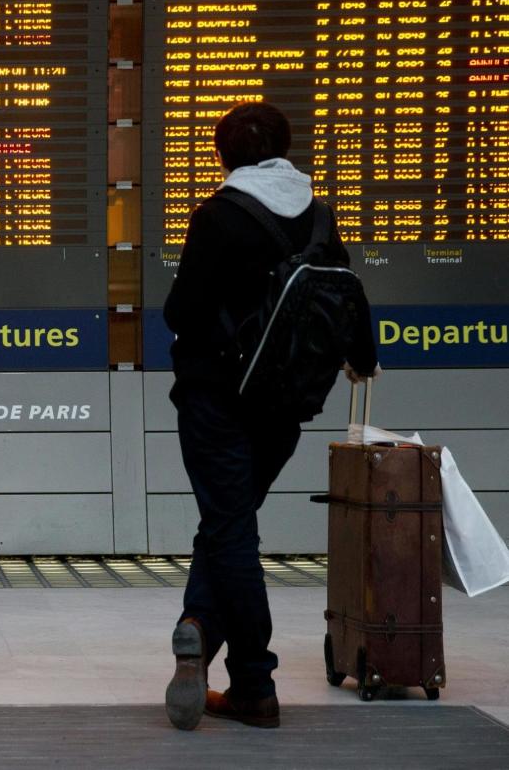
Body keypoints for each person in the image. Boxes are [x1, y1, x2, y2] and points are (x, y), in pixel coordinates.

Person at [162, 102, 379, 730]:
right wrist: (363, 360)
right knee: (227, 526)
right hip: (283, 406)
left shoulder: (218, 216)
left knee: (230, 531)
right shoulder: (318, 216)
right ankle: (198, 626)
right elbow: (349, 299)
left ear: (222, 155)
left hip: (215, 402)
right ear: (284, 148)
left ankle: (255, 685)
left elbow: (181, 312)